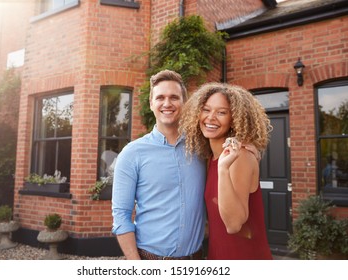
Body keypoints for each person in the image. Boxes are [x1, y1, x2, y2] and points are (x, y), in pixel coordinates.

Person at [111, 70, 206, 260]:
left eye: (174, 97)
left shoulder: (202, 149)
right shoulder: (132, 154)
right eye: (160, 97)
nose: (167, 103)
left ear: (184, 103)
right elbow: (121, 216)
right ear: (151, 103)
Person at [179, 82, 273, 260]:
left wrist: (223, 169)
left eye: (221, 112)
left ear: (234, 119)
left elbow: (234, 225)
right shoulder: (210, 158)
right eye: (206, 109)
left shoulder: (239, 158)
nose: (211, 117)